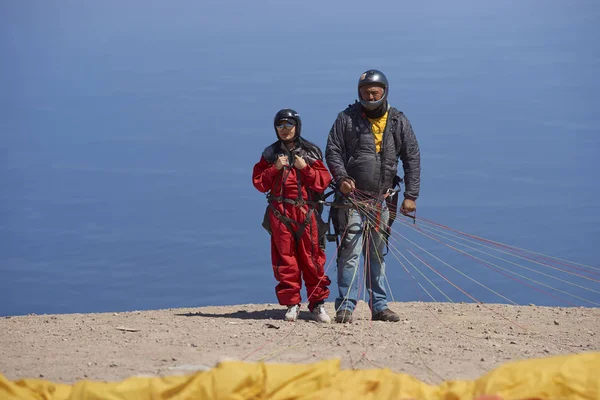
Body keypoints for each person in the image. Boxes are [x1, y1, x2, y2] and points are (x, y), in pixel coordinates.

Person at [325, 69, 421, 323]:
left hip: (383, 199)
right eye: (365, 92)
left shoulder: (398, 121)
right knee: (349, 252)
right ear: (358, 93)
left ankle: (379, 306)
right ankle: (345, 306)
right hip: (352, 200)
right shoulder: (346, 119)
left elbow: (412, 157)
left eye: (374, 92)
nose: (369, 96)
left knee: (377, 254)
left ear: (385, 92)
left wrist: (411, 195)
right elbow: (333, 151)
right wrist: (342, 179)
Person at [253, 109, 333, 323]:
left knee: (313, 259)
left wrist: (305, 168)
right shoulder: (270, 154)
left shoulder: (311, 151)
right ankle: (292, 304)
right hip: (280, 214)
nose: (285, 130)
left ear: (297, 126)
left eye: (289, 125)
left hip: (307, 213)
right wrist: (274, 169)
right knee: (285, 260)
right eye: (280, 126)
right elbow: (259, 183)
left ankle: (317, 304)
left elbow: (322, 181)